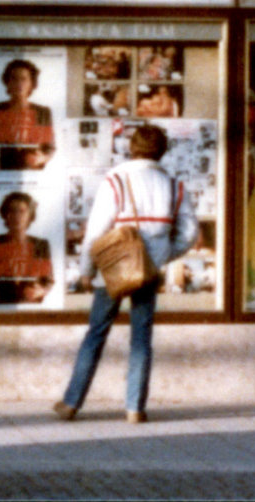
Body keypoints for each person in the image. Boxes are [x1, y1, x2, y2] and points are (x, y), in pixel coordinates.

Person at [57, 121, 198, 424]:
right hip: (148, 270)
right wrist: (164, 255)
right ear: (162, 151)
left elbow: (97, 230)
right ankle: (135, 407)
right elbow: (189, 233)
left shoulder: (116, 180)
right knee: (141, 337)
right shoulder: (175, 186)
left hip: (113, 269)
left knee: (96, 333)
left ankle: (71, 403)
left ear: (132, 148)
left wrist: (86, 270)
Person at [0, 190, 53, 306]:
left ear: (30, 216)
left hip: (32, 308)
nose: (16, 216)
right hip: (1, 308)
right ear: (5, 215)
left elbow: (48, 281)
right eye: (12, 210)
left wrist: (41, 291)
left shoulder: (41, 244)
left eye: (22, 211)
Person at [0, 58, 55, 169]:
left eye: (24, 79)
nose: (19, 83)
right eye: (14, 78)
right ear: (7, 82)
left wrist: (41, 158)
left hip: (31, 173)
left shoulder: (43, 112)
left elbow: (50, 148)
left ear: (32, 83)